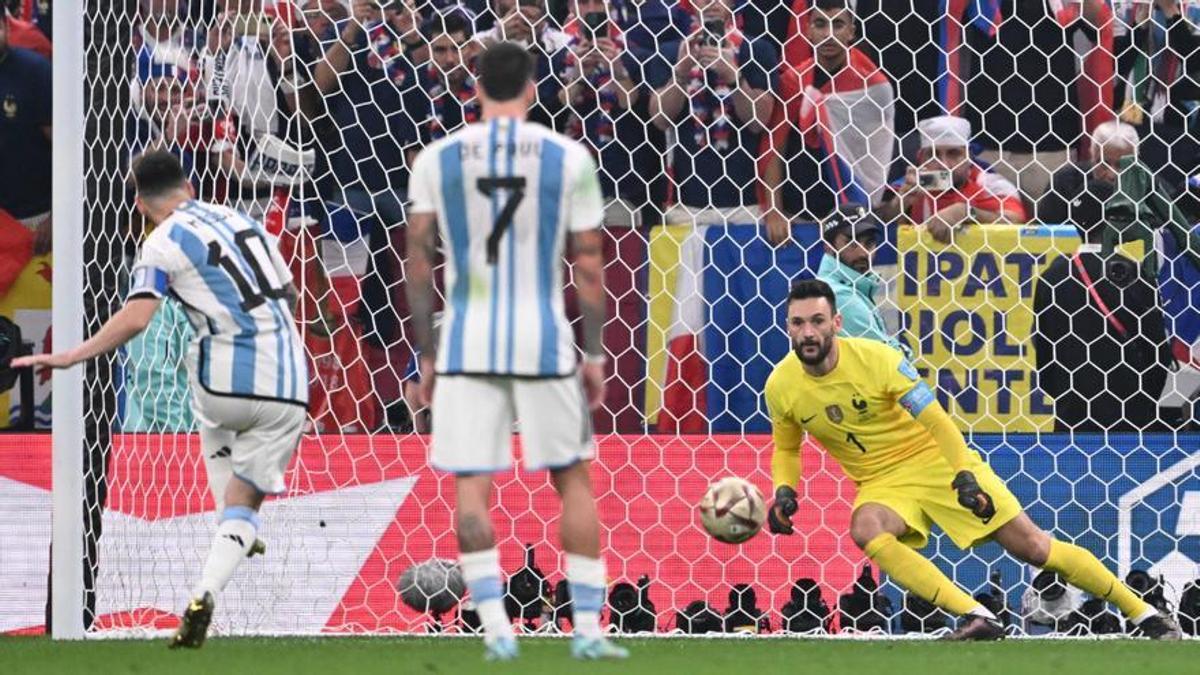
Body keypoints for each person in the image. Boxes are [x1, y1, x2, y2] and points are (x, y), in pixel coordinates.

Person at [764, 278, 1182, 640]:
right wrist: (784, 490)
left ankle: (1144, 612)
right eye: (798, 323)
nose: (808, 332)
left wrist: (964, 475)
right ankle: (975, 614)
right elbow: (786, 447)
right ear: (788, 327)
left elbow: (939, 422)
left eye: (817, 321)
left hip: (937, 462)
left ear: (836, 324)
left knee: (1035, 547)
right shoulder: (781, 385)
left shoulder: (879, 360)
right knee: (866, 528)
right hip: (881, 483)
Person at [13, 150, 309, 648]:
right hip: (290, 386)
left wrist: (72, 356)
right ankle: (211, 580)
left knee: (201, 358)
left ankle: (229, 526)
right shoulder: (244, 222)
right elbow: (290, 293)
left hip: (223, 386)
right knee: (247, 499)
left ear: (138, 202)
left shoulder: (162, 241)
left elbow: (136, 318)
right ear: (188, 184)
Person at [404, 42, 626, 661]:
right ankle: (586, 628)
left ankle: (496, 627)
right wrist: (594, 354)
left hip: (468, 341)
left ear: (475, 88)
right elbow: (587, 262)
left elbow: (417, 260)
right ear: (532, 89)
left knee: (471, 486)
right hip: (543, 339)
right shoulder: (566, 157)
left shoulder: (438, 158)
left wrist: (426, 356)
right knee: (572, 479)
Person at [1033, 178, 1172, 431]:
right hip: (1131, 420)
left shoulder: (1051, 278)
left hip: (1072, 417)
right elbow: (1158, 352)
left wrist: (1066, 396)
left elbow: (1044, 354)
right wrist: (1143, 400)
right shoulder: (1134, 274)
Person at [762, 0, 894, 242]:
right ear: (808, 30)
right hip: (799, 215)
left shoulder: (874, 87)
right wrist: (773, 211)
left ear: (851, 31)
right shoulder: (793, 81)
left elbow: (877, 159)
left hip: (853, 218)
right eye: (821, 24)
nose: (829, 34)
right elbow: (774, 147)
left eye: (838, 25)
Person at [647, 0, 776, 228]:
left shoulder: (757, 50)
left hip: (746, 205)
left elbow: (759, 121)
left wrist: (734, 78)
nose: (712, 2)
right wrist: (681, 72)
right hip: (687, 206)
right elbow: (660, 119)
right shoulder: (671, 51)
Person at [876, 115, 1026, 244]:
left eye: (953, 153)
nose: (943, 164)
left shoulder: (991, 184)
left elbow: (1017, 223)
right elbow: (877, 223)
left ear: (969, 158)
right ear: (920, 159)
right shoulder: (911, 184)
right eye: (933, 155)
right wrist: (900, 203)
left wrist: (966, 212)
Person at [814, 203, 905, 355]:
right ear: (828, 247)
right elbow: (887, 358)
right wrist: (907, 353)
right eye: (852, 243)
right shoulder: (838, 296)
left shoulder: (849, 289)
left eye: (869, 243)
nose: (863, 253)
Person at [0, 13, 52, 254]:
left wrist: (57, 217)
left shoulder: (35, 72)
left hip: (33, 223)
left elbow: (67, 151)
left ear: (6, 27)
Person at [1039, 121, 1139, 225]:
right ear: (1092, 155)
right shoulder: (1064, 181)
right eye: (1104, 163)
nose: (1112, 174)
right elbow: (1046, 234)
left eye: (1121, 165)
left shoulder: (1148, 185)